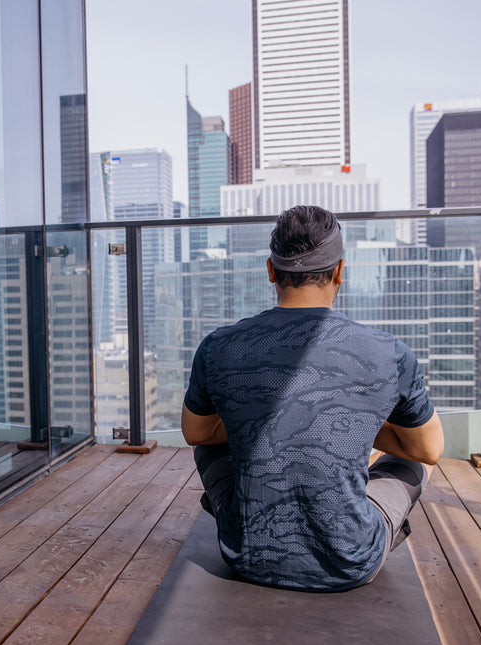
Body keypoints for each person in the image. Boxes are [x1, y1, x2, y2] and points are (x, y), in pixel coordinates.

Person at [181, 206, 444, 592]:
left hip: (248, 557)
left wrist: (270, 422)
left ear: (271, 270)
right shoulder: (389, 352)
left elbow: (195, 433)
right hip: (350, 561)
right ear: (340, 271)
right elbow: (430, 449)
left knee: (207, 447)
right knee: (416, 459)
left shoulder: (219, 346)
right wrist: (349, 426)